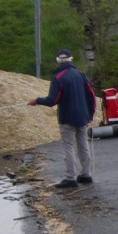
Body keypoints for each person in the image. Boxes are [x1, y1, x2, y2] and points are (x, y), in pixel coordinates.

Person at [29, 49, 97, 188]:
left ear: (58, 61)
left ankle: (70, 178)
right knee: (83, 144)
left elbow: (52, 100)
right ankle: (86, 174)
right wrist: (90, 114)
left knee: (68, 146)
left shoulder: (58, 78)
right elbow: (91, 96)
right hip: (83, 116)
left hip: (67, 117)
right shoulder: (81, 75)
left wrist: (37, 100)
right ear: (71, 60)